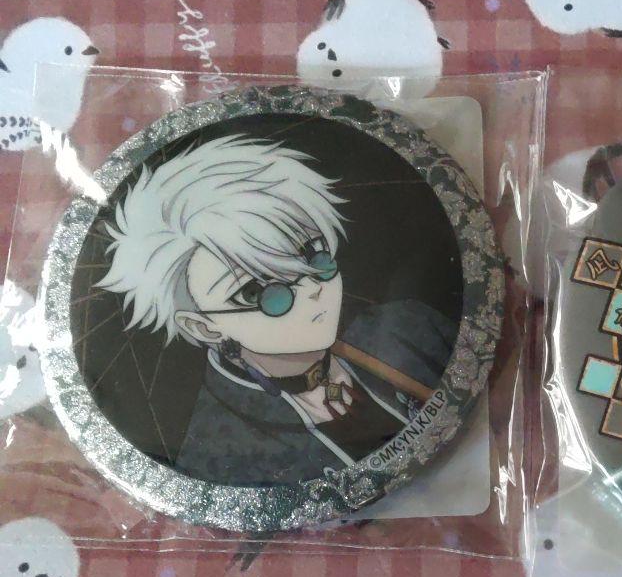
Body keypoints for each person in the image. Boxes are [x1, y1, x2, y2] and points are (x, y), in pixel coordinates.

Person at [96, 134, 457, 485]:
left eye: (314, 257)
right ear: (205, 327)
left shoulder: (412, 328)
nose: (311, 290)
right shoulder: (218, 455)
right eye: (256, 291)